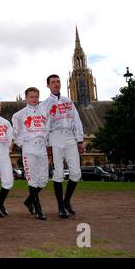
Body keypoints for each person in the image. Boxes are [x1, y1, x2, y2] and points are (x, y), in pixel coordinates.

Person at [41, 74, 84, 218]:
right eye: (53, 82)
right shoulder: (45, 104)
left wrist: (80, 140)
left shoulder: (68, 101)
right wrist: (47, 144)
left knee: (76, 172)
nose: (56, 84)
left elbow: (76, 120)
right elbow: (43, 126)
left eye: (58, 81)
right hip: (55, 136)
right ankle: (60, 207)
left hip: (70, 136)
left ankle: (66, 201)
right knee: (58, 172)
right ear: (48, 85)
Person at [12, 87, 50, 220]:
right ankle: (38, 209)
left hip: (42, 148)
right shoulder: (19, 115)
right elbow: (15, 133)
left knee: (43, 180)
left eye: (36, 96)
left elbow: (47, 129)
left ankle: (28, 200)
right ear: (26, 98)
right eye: (31, 97)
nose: (34, 99)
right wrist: (23, 144)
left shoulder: (45, 112)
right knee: (32, 179)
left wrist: (47, 143)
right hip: (29, 149)